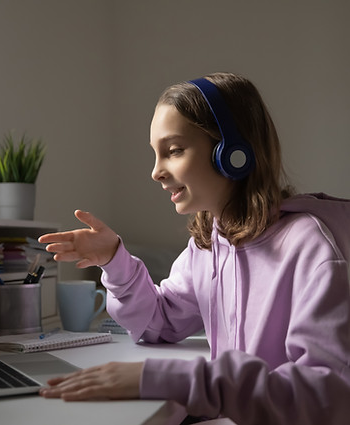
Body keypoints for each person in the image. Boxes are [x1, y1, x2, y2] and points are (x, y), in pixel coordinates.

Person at [38, 72, 350, 424]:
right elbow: (161, 322)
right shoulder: (206, 247)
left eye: (173, 151)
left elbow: (325, 395)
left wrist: (176, 381)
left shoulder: (312, 249)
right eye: (155, 155)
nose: (156, 171)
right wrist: (115, 260)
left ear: (233, 153)